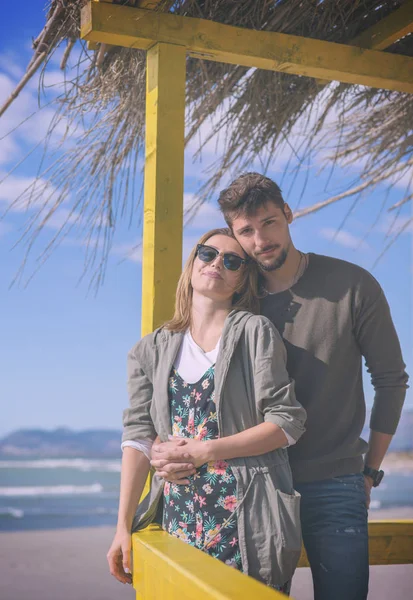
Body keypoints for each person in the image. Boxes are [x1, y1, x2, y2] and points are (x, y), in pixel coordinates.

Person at [154, 175, 409, 600]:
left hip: (335, 481)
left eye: (269, 223)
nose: (260, 239)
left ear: (288, 215)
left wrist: (370, 471)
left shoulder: (352, 285)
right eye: (246, 231)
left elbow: (391, 380)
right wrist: (170, 452)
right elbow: (193, 387)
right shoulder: (236, 302)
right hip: (254, 484)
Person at [107, 227, 307, 592]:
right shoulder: (149, 350)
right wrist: (122, 524)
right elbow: (138, 437)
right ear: (193, 262)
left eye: (232, 261)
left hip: (247, 520)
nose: (217, 263)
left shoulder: (254, 333)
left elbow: (286, 422)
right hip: (178, 521)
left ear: (241, 278)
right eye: (208, 253)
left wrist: (205, 450)